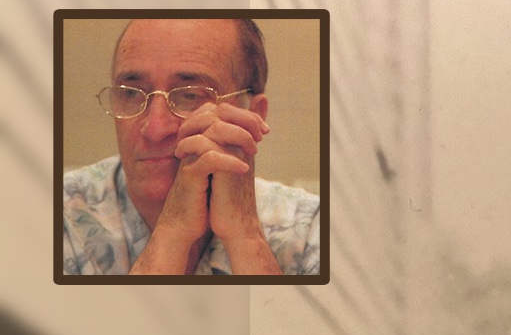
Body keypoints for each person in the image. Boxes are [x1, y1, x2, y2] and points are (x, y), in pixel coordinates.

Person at [62, 18, 319, 276]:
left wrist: (246, 236)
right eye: (131, 93)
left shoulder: (308, 226)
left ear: (254, 115)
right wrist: (173, 232)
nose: (155, 130)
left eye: (190, 95)